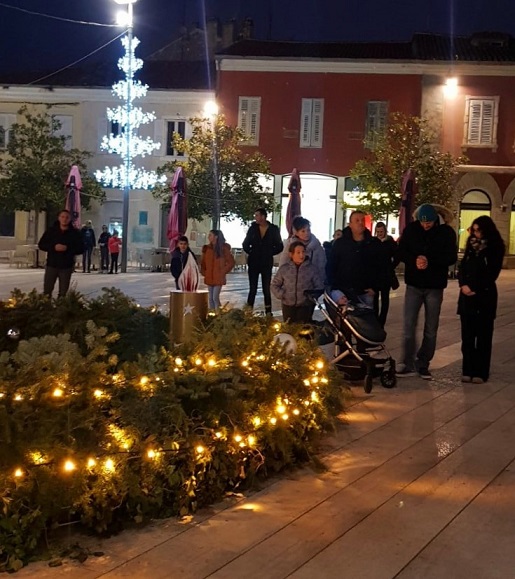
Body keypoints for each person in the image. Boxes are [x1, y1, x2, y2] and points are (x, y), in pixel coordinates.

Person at [396, 203, 457, 380]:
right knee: (408, 326)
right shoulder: (411, 230)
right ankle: (407, 362)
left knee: (431, 328)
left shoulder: (446, 232)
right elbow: (402, 251)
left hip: (434, 286)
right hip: (414, 284)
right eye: (423, 223)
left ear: (435, 219)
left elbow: (451, 257)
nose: (425, 226)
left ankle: (423, 363)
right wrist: (414, 260)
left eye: (429, 222)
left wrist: (430, 260)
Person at [458, 216, 505, 384]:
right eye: (474, 230)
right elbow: (463, 267)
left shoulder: (495, 247)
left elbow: (492, 273)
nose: (475, 234)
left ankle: (481, 371)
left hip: (484, 296)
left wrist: (475, 288)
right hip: (466, 297)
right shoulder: (470, 245)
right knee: (468, 336)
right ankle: (467, 369)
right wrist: (463, 284)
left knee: (483, 336)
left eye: (479, 230)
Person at [328, 210, 386, 309]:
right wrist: (334, 287)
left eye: (362, 220)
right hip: (344, 292)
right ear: (350, 224)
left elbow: (382, 266)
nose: (360, 223)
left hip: (366, 292)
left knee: (367, 322)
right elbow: (331, 266)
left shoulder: (374, 244)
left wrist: (375, 287)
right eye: (357, 220)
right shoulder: (340, 244)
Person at [242, 208, 284, 315]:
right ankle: (248, 312)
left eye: (257, 215)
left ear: (263, 216)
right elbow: (245, 244)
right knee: (253, 289)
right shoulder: (252, 229)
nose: (255, 217)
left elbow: (280, 246)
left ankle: (268, 313)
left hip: (266, 262)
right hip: (254, 261)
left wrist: (269, 252)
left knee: (266, 289)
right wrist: (251, 252)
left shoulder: (273, 229)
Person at [271, 241, 324, 323]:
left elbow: (319, 286)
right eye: (298, 252)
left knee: (303, 330)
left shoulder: (311, 269)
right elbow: (274, 285)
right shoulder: (284, 269)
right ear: (291, 254)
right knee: (289, 329)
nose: (301, 255)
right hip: (288, 305)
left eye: (303, 252)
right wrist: (282, 294)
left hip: (305, 306)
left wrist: (311, 298)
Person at [38, 209, 84, 298]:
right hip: (52, 264)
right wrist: (53, 247)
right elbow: (41, 245)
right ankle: (46, 308)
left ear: (70, 219)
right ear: (59, 218)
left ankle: (61, 309)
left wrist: (68, 248)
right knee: (47, 291)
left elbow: (81, 248)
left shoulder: (75, 233)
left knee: (63, 292)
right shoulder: (51, 231)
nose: (64, 219)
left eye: (67, 217)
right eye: (62, 217)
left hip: (66, 266)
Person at [279, 216, 326, 282]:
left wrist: (320, 282)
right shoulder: (290, 245)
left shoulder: (316, 246)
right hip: (292, 281)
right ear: (296, 232)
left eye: (308, 230)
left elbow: (321, 266)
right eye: (303, 231)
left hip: (312, 282)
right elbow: (283, 264)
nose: (306, 233)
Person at [200, 230, 235, 311]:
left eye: (210, 235)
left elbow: (231, 262)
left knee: (215, 297)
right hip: (209, 276)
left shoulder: (223, 249)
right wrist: (204, 271)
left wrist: (223, 271)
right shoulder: (207, 249)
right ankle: (212, 314)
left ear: (216, 237)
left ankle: (218, 314)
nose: (209, 237)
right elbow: (203, 262)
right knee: (210, 298)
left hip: (218, 277)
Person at [373, 222, 399, 327]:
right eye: (378, 232)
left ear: (385, 231)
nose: (379, 234)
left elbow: (397, 256)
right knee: (374, 299)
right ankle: (375, 320)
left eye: (381, 232)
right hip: (375, 275)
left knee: (384, 299)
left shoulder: (390, 243)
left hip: (386, 275)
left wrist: (391, 266)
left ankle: (381, 321)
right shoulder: (373, 242)